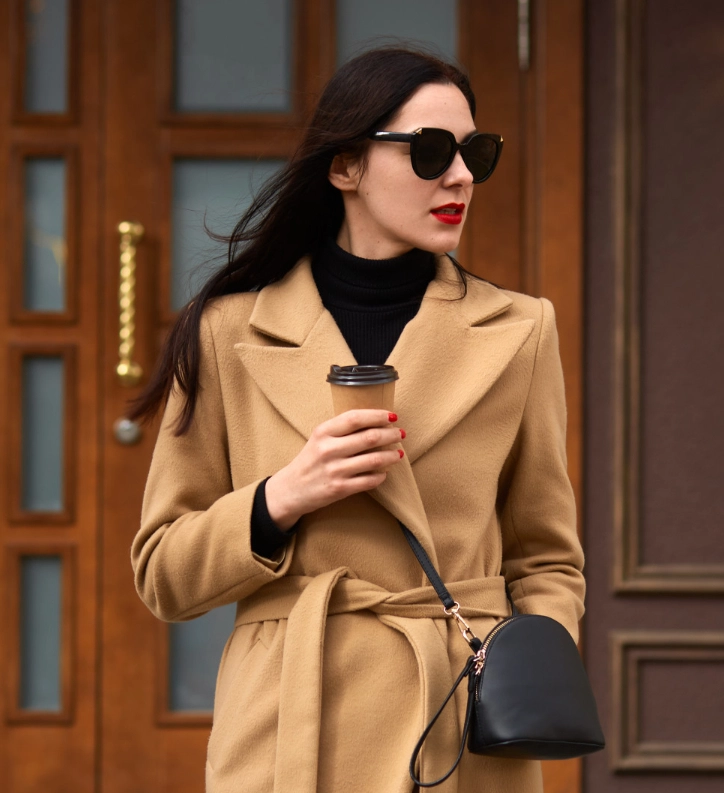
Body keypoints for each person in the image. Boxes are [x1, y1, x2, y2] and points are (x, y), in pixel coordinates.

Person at [130, 47, 585, 793]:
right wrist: (282, 497)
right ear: (346, 168)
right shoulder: (228, 332)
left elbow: (547, 557)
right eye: (431, 151)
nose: (461, 175)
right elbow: (162, 575)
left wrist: (523, 658)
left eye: (475, 152)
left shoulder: (521, 332)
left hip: (455, 727)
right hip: (288, 728)